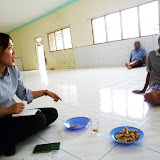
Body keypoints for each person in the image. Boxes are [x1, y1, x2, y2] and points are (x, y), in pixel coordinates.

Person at [0, 33, 62, 156]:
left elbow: (24, 93)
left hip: (12, 115)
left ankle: (8, 137)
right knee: (39, 119)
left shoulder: (13, 70)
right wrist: (7, 110)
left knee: (52, 113)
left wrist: (46, 92)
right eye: (10, 48)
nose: (14, 53)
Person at [133, 35, 160, 105]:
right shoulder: (152, 54)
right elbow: (149, 73)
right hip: (156, 85)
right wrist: (144, 90)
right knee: (149, 96)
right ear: (159, 42)